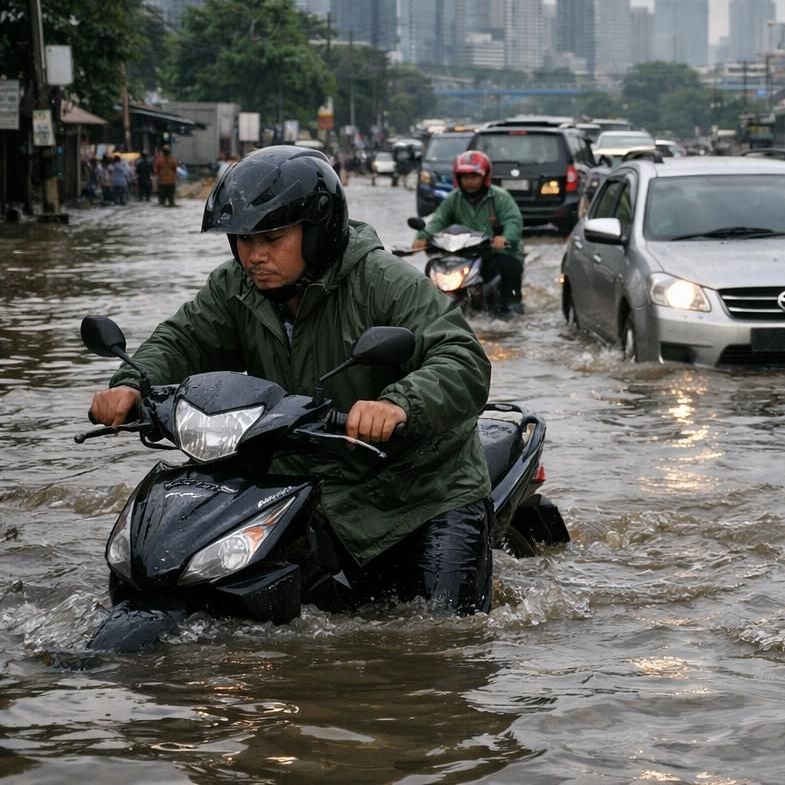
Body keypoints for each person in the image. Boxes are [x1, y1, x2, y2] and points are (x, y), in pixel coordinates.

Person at [87, 145, 496, 613]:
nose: (254, 255)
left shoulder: (383, 281)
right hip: (309, 481)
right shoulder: (235, 286)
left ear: (318, 233)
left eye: (272, 238)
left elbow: (461, 357)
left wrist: (399, 403)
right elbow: (182, 340)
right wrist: (132, 383)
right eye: (242, 239)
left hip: (421, 490)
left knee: (442, 639)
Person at [413, 149, 525, 315]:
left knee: (507, 267)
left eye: (474, 177)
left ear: (485, 177)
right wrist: (422, 237)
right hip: (463, 254)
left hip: (495, 253)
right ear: (458, 178)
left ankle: (509, 308)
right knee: (434, 266)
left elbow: (513, 221)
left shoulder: (500, 197)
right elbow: (438, 220)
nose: (469, 181)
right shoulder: (453, 199)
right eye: (465, 177)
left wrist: (505, 237)